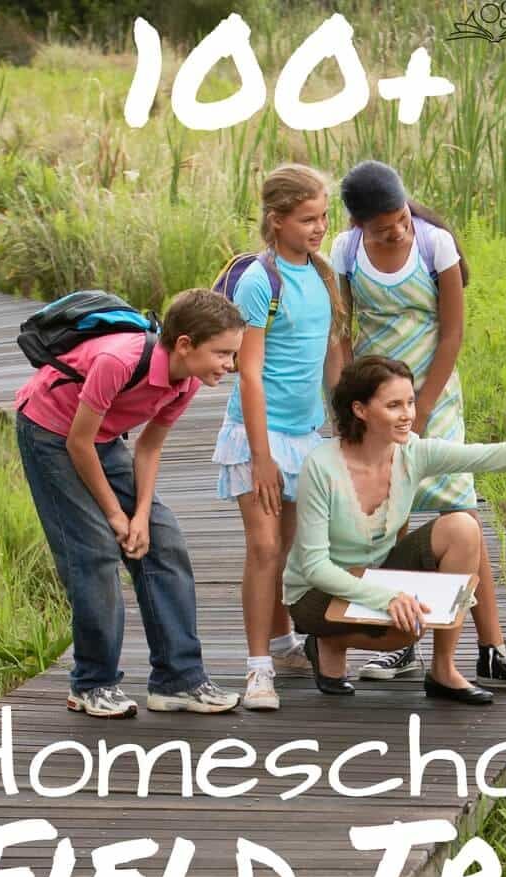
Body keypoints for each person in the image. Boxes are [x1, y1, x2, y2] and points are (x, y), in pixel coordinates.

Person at [330, 160, 506, 693]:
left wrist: (424, 406)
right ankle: (404, 644)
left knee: (461, 514)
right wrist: (349, 403)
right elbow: (343, 331)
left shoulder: (435, 244)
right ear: (359, 224)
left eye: (401, 218)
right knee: (396, 518)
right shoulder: (344, 253)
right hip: (374, 399)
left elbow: (453, 333)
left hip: (432, 396)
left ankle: (492, 649)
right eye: (384, 226)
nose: (397, 230)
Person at [284, 356, 506, 704]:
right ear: (360, 410)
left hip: (375, 576)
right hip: (315, 595)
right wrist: (388, 597)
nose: (408, 414)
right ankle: (329, 641)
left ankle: (443, 670)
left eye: (410, 401)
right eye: (394, 405)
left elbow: (486, 456)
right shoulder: (322, 466)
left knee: (462, 528)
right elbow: (315, 568)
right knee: (402, 631)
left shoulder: (412, 453)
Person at [14, 288, 245, 718]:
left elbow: (149, 448)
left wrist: (140, 516)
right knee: (95, 553)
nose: (229, 366)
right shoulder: (118, 360)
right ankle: (92, 683)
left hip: (99, 438)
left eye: (232, 355)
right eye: (222, 353)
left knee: (163, 539)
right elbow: (77, 444)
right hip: (50, 433)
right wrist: (116, 516)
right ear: (184, 345)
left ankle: (178, 680)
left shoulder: (189, 379)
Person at [212, 164, 345, 711]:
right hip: (256, 436)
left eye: (323, 217)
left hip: (306, 435)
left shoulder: (322, 272)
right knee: (263, 548)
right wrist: (262, 457)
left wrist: (347, 430)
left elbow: (333, 355)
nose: (319, 228)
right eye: (308, 219)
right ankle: (257, 669)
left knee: (289, 552)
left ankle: (287, 645)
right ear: (277, 220)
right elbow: (249, 370)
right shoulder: (258, 281)